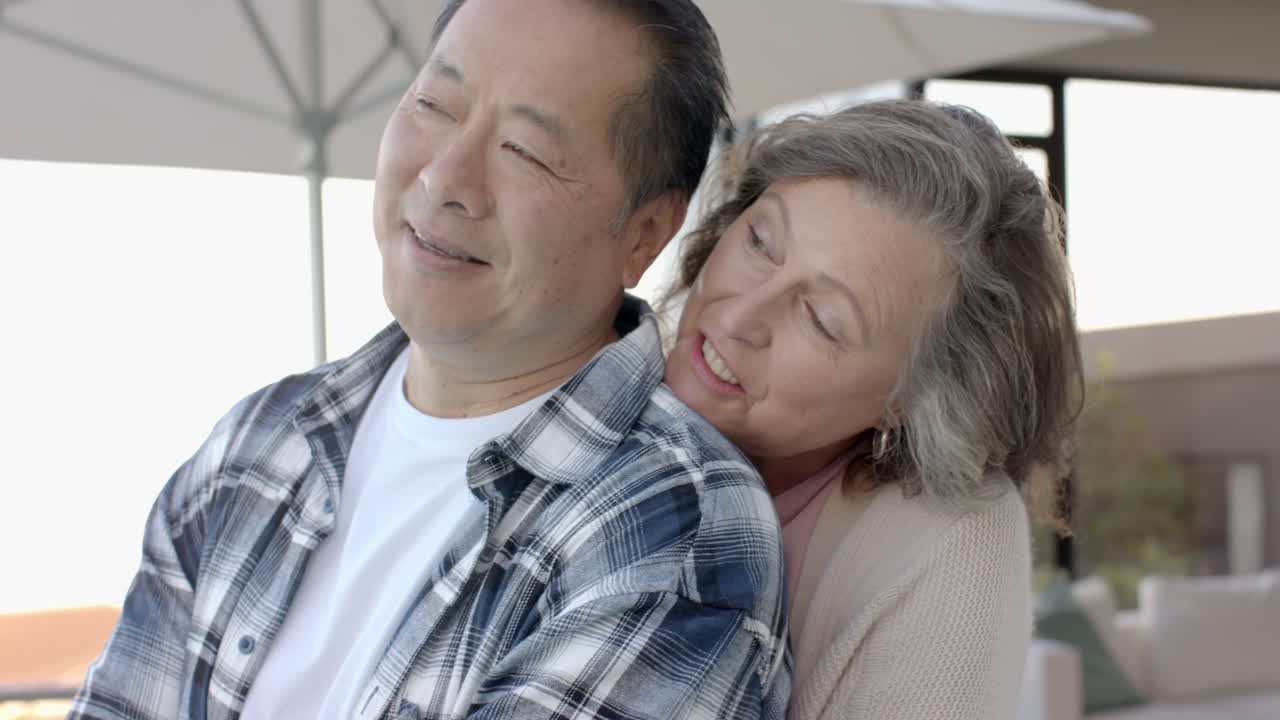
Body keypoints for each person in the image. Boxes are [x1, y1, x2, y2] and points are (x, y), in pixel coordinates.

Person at [69, 1, 791, 718]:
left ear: (645, 235)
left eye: (526, 152)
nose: (445, 178)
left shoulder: (670, 529)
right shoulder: (260, 443)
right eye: (433, 104)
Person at [663, 99, 1082, 720]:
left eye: (823, 320)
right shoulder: (581, 377)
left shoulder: (947, 538)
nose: (741, 316)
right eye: (760, 241)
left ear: (907, 402)